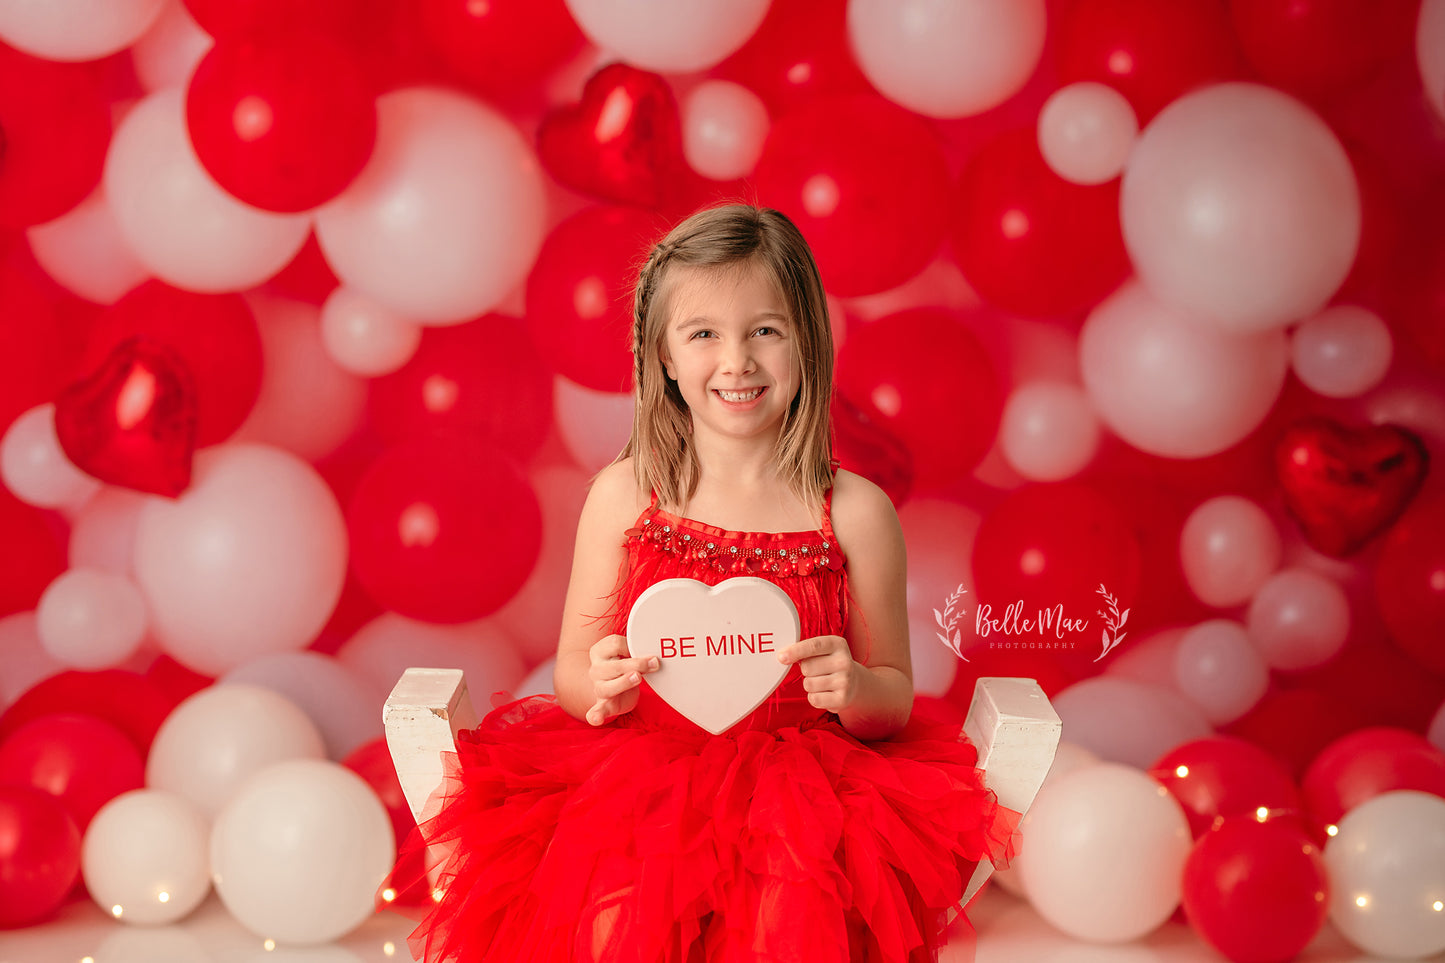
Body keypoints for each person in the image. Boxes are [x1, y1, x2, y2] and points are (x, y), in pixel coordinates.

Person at [405, 204, 1016, 963]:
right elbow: (572, 670)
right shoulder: (627, 495)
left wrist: (853, 684)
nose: (737, 361)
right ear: (661, 355)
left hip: (808, 797)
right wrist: (599, 685)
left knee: (787, 922)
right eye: (703, 334)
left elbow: (894, 693)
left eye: (765, 329)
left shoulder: (853, 513)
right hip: (642, 784)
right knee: (612, 920)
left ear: (808, 343)